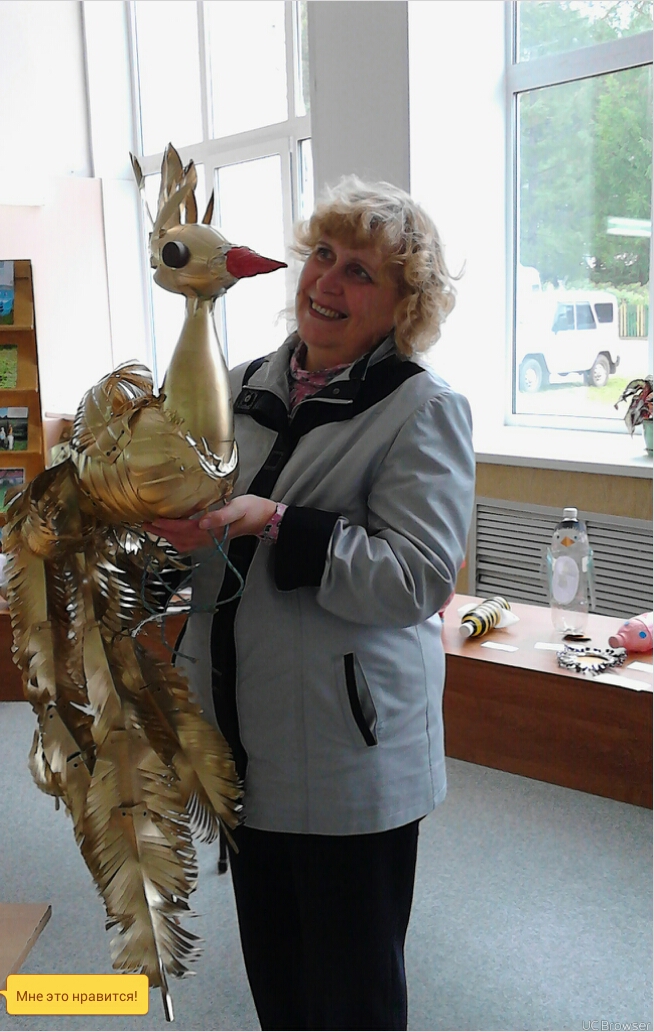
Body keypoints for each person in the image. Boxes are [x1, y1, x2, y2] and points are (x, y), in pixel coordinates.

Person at [144, 177, 476, 1032]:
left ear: (404, 304)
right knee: (282, 985)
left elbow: (418, 578)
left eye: (360, 271)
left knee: (352, 997)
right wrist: (165, 532)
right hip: (241, 742)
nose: (327, 280)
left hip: (347, 757)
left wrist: (279, 523)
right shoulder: (236, 385)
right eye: (322, 255)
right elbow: (204, 534)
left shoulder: (422, 407)